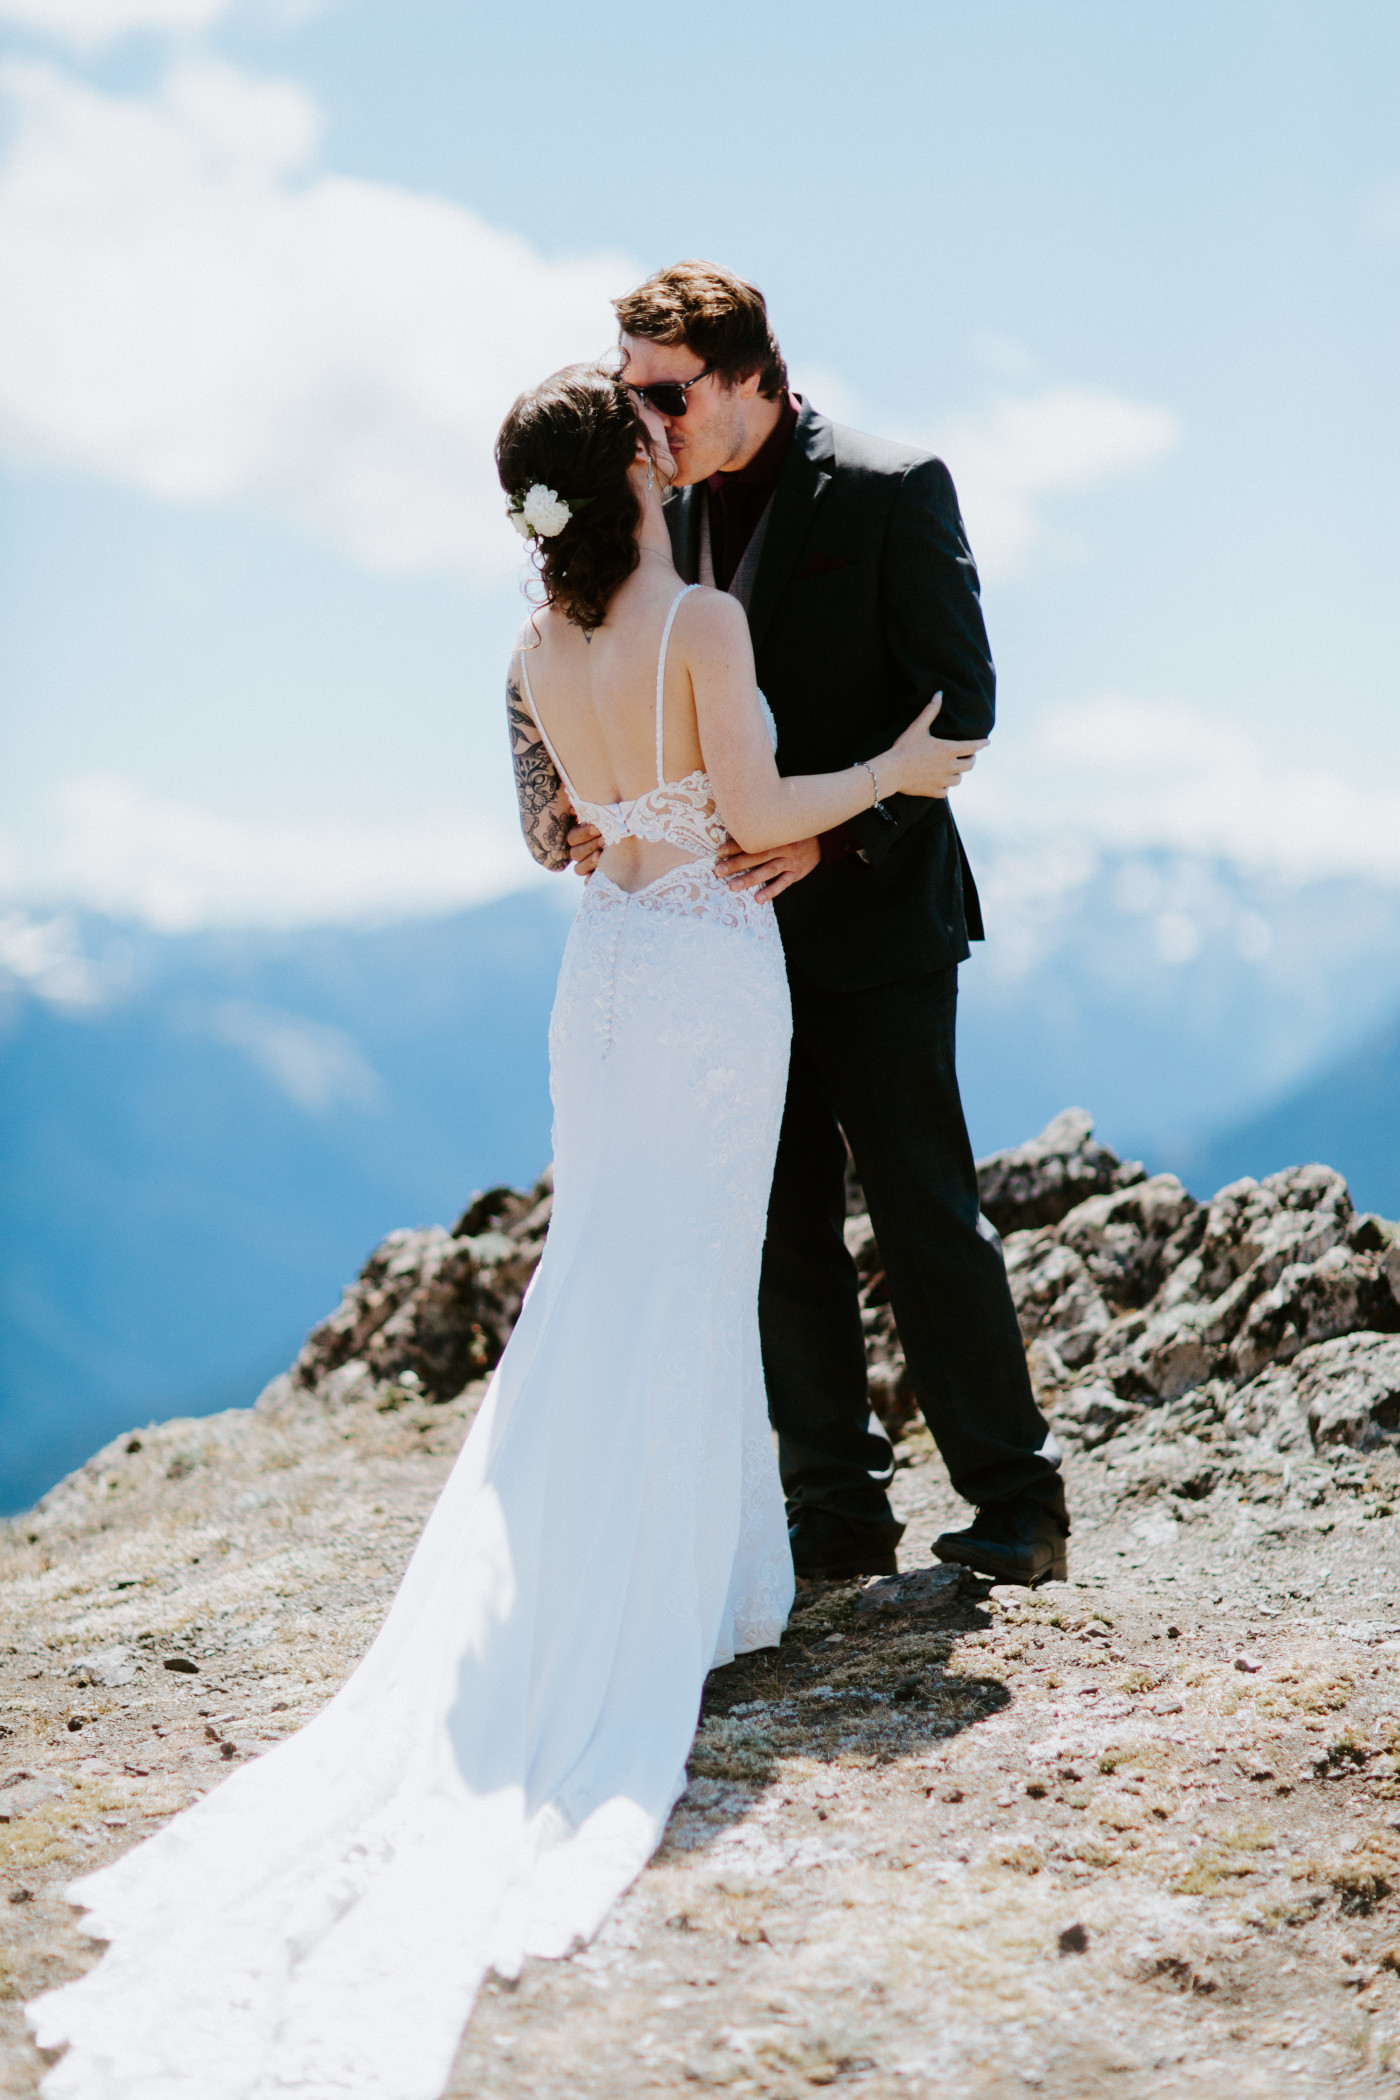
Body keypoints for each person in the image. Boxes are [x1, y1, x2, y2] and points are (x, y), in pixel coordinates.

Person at [26, 364, 976, 2100]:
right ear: (625, 474)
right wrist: (903, 767)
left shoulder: (538, 654)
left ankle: (643, 1572)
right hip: (701, 979)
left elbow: (561, 830)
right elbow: (760, 821)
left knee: (615, 1273)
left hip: (605, 978)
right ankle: (687, 1588)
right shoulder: (695, 623)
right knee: (689, 1281)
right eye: (645, 437)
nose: (663, 443)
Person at [569, 261, 1070, 1588]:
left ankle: (1019, 1503)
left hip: (881, 919)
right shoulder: (651, 523)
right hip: (717, 937)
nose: (648, 423)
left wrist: (834, 835)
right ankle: (836, 1510)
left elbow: (959, 705)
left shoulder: (896, 488)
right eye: (632, 398)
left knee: (921, 1206)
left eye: (666, 393)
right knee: (777, 1221)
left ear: (747, 373)